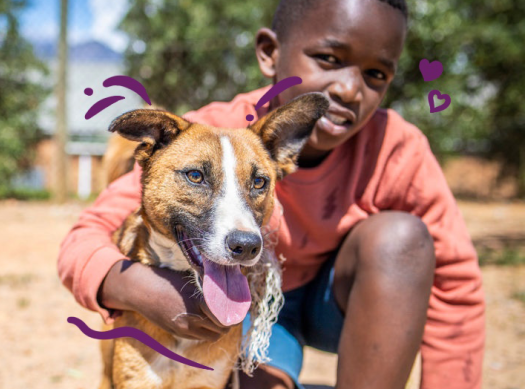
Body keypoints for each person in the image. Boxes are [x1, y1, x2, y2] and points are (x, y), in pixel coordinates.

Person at [58, 0, 485, 388]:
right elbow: (86, 235)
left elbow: (458, 289)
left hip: (341, 306)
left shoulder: (398, 149)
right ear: (269, 53)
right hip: (248, 306)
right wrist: (138, 289)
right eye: (329, 59)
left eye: (376, 75)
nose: (349, 89)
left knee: (401, 240)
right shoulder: (204, 139)